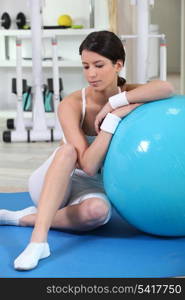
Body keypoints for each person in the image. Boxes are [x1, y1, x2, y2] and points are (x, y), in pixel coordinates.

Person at [0, 30, 174, 270]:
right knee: (68, 151)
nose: (91, 74)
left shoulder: (128, 94)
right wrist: (112, 122)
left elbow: (166, 88)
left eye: (99, 65)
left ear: (118, 65)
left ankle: (23, 218)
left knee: (99, 212)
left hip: (93, 189)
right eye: (85, 66)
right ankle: (38, 242)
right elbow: (89, 166)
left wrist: (115, 104)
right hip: (57, 180)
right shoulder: (71, 104)